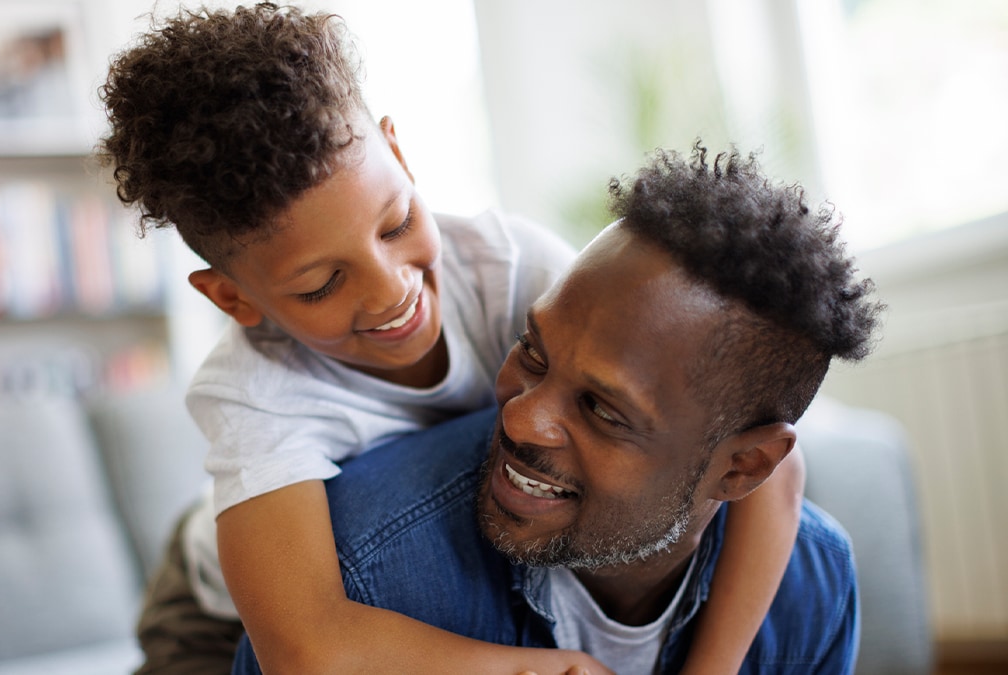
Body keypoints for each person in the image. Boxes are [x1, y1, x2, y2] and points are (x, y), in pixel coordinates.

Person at [98, 3, 805, 673]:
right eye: (321, 285)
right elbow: (305, 646)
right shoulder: (251, 393)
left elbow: (775, 476)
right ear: (234, 298)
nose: (391, 291)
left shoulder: (512, 272)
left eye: (396, 222)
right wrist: (534, 665)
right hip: (213, 616)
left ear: (400, 156)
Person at [230, 143, 882, 674]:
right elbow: (305, 645)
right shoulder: (364, 579)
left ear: (742, 468)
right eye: (533, 352)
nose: (518, 418)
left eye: (601, 408)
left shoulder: (812, 584)